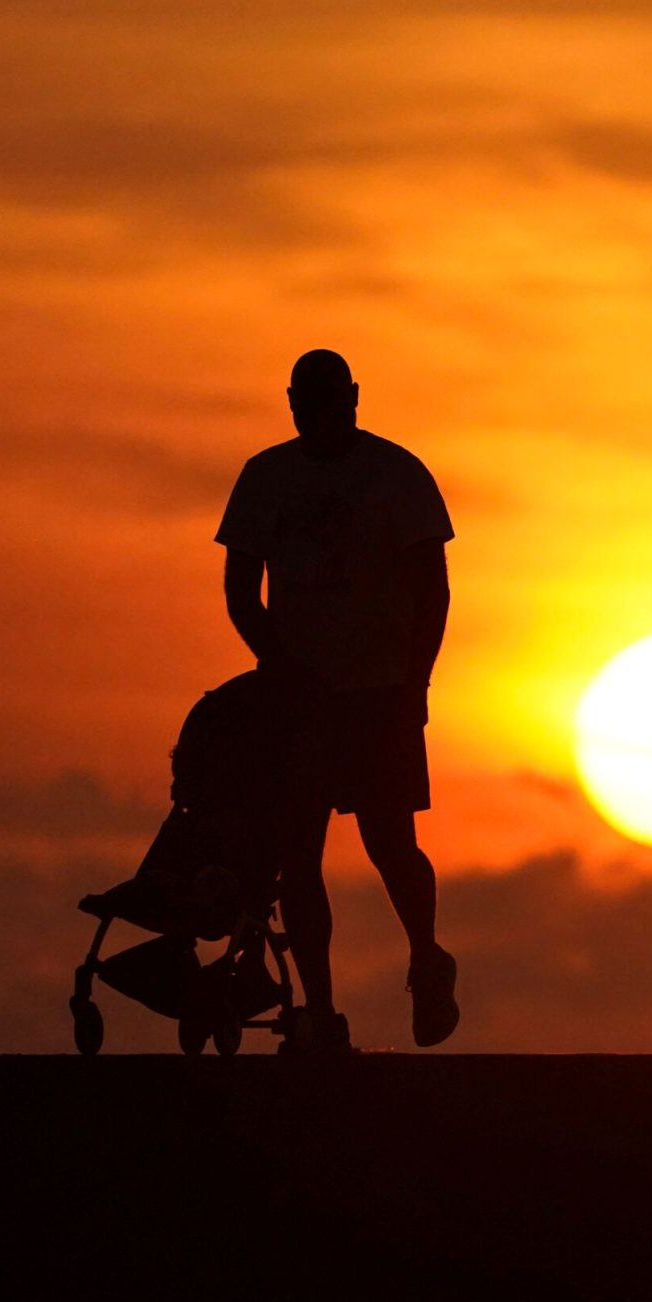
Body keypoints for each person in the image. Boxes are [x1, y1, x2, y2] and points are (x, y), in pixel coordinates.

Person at [216, 348, 459, 1053]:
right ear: (291, 403)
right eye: (307, 402)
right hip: (299, 702)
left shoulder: (398, 474)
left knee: (390, 846)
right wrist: (280, 666)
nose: (320, 414)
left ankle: (426, 958)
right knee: (298, 857)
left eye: (331, 400)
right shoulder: (265, 477)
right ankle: (320, 1015)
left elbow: (434, 591)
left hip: (380, 693)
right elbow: (239, 592)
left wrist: (416, 682)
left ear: (354, 396)